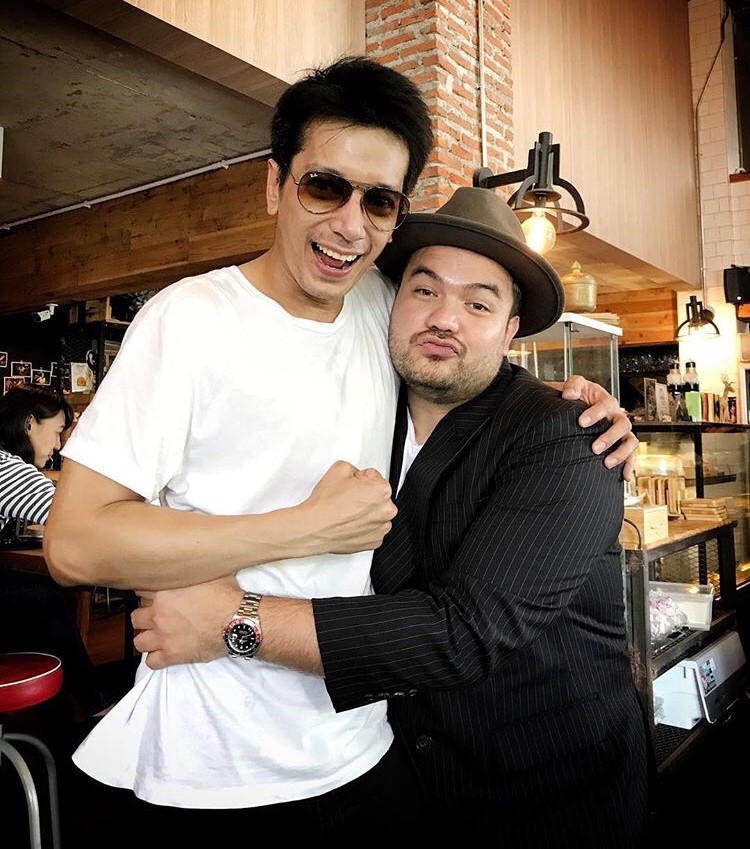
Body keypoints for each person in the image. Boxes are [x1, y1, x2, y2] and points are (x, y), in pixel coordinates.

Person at [45, 57, 637, 842]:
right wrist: (304, 528)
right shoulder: (190, 320)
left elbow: (458, 337)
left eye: (379, 200)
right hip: (219, 761)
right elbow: (75, 543)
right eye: (325, 186)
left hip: (373, 751)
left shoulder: (383, 313)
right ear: (274, 185)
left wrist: (581, 403)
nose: (351, 225)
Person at [133, 188, 650, 847]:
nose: (444, 318)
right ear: (391, 300)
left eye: (479, 303)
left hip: (550, 798)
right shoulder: (363, 414)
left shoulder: (569, 437)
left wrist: (230, 622)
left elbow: (465, 631)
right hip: (405, 786)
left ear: (510, 330)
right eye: (424, 290)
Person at [0, 386, 112, 719]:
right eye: (57, 431)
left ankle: (62, 706)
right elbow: (79, 522)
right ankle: (93, 707)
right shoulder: (9, 469)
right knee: (45, 596)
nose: (58, 445)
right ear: (29, 424)